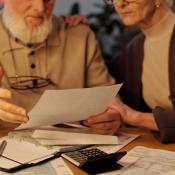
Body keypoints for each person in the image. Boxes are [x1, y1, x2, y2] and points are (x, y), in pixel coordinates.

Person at [0, 0, 121, 134]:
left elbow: (108, 98)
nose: (40, 8)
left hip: (74, 145)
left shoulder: (80, 35)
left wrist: (109, 118)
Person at [80, 0, 175, 143]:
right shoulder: (135, 48)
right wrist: (70, 30)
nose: (120, 4)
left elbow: (126, 113)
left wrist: (133, 116)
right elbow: (98, 77)